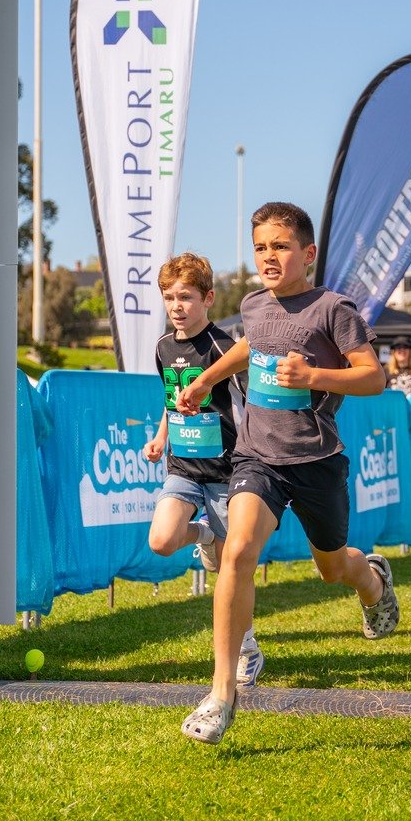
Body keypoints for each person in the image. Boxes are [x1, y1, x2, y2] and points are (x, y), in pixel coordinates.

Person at [172, 201, 400, 745]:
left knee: (332, 568)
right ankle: (221, 694)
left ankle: (371, 579)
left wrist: (314, 374)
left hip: (317, 459)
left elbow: (373, 378)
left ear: (307, 253)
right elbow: (254, 346)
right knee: (237, 550)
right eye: (260, 247)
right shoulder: (253, 304)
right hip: (259, 456)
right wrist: (206, 380)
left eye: (280, 246)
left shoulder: (333, 308)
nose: (269, 257)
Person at [143, 253, 237, 597]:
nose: (176, 306)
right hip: (182, 466)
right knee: (161, 541)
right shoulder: (163, 347)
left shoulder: (223, 347)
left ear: (208, 298)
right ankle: (204, 534)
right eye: (169, 297)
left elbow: (247, 405)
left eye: (185, 297)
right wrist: (159, 436)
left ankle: (244, 640)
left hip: (225, 472)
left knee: (230, 571)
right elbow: (173, 398)